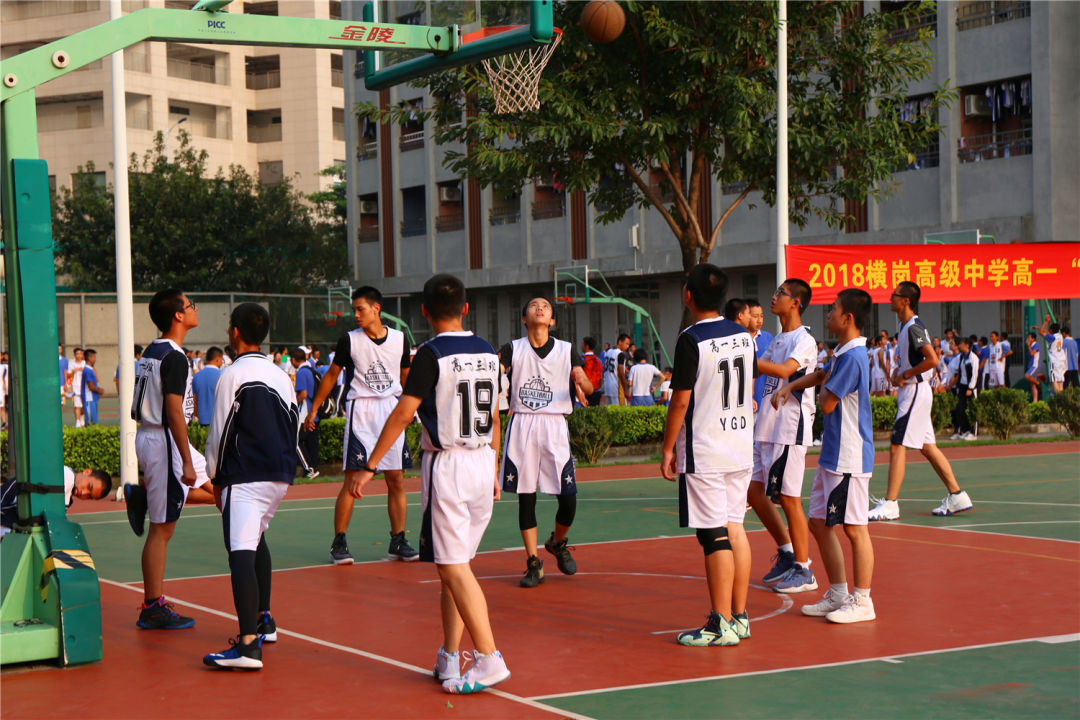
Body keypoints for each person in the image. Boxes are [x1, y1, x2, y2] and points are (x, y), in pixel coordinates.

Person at [350, 274, 509, 694]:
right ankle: (450, 656)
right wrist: (493, 468)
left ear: (423, 311)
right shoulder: (490, 352)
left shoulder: (430, 354)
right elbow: (494, 416)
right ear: (466, 308)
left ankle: (490, 656)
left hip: (449, 465)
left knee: (452, 566)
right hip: (480, 461)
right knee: (455, 567)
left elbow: (403, 415)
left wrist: (369, 465)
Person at [661, 263, 755, 646]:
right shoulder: (745, 336)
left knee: (713, 533)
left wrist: (668, 447)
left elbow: (680, 401)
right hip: (739, 445)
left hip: (706, 448)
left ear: (688, 295)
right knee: (735, 527)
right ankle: (739, 616)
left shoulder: (690, 340)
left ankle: (720, 623)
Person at [202, 303, 298, 671]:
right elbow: (292, 422)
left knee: (240, 551)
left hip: (244, 474)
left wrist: (213, 476)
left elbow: (220, 432)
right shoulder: (281, 376)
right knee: (256, 539)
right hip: (278, 475)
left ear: (236, 332)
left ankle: (247, 646)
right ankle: (264, 621)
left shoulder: (232, 374)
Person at [773, 289, 877, 624]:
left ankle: (862, 600)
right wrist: (791, 386)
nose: (828, 314)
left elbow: (828, 402)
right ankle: (838, 592)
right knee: (819, 522)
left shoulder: (853, 357)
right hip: (833, 453)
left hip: (850, 454)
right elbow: (821, 376)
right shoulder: (842, 352)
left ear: (848, 318)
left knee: (854, 528)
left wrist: (813, 388)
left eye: (833, 309)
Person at [303, 286, 417, 565]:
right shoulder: (349, 340)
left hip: (391, 408)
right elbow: (332, 375)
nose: (355, 314)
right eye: (354, 310)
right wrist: (315, 408)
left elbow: (406, 375)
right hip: (361, 410)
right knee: (352, 478)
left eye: (360, 309)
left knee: (396, 478)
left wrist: (415, 406)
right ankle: (339, 541)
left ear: (376, 309)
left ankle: (398, 539)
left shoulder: (400, 339)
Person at [126, 288, 216, 630]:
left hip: (158, 437)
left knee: (220, 491)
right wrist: (186, 458)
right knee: (163, 530)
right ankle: (152, 606)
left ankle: (146, 496)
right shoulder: (175, 357)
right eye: (191, 304)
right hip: (164, 439)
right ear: (178, 315)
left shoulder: (154, 349)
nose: (195, 307)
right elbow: (175, 411)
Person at [499, 297, 593, 588]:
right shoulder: (512, 349)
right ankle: (533, 563)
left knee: (568, 499)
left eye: (545, 307)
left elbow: (589, 388)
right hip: (523, 424)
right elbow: (492, 374)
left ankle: (558, 541)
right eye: (533, 306)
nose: (539, 308)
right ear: (524, 318)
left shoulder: (566, 350)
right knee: (526, 498)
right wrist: (497, 373)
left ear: (552, 320)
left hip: (554, 426)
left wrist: (581, 377)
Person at [868, 282, 974, 522]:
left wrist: (905, 375)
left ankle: (891, 503)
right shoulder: (906, 326)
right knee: (927, 447)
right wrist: (901, 374)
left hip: (915, 392)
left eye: (894, 295)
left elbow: (933, 359)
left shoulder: (913, 327)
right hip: (916, 391)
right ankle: (957, 495)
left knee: (897, 444)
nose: (890, 297)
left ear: (905, 301)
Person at [748, 278, 819, 594]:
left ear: (796, 302)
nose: (774, 296)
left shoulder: (804, 340)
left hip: (789, 428)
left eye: (781, 293)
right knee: (753, 492)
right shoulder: (777, 339)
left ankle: (804, 570)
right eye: (775, 290)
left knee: (789, 498)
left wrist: (747, 361)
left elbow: (784, 371)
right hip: (765, 426)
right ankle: (788, 551)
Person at [1, 466, 112, 538]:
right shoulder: (64, 475)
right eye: (89, 486)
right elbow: (15, 486)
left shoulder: (67, 497)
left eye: (89, 496)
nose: (83, 493)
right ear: (87, 471)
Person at [291, 347, 322, 480]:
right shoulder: (311, 369)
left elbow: (303, 394)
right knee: (311, 442)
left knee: (295, 441)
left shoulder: (301, 372)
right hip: (314, 412)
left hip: (305, 414)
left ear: (293, 360)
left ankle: (309, 469)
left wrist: (292, 403)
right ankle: (313, 468)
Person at [950, 335, 979, 441]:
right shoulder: (962, 357)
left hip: (970, 387)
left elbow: (975, 374)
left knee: (972, 410)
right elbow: (961, 372)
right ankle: (965, 430)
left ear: (967, 345)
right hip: (962, 386)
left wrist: (970, 388)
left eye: (961, 343)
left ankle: (974, 433)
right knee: (959, 409)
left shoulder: (973, 358)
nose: (959, 345)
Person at [746, 299, 772, 411]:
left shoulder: (768, 338)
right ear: (746, 316)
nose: (759, 320)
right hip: (744, 402)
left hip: (765, 402)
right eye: (755, 316)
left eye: (761, 316)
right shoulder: (738, 340)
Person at [191, 346, 224, 427]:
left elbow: (194, 402)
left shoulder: (196, 376)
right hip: (219, 422)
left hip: (202, 422)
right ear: (218, 359)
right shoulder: (223, 375)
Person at [1036, 315, 1066, 395]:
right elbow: (1045, 332)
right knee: (1060, 382)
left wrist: (1046, 321)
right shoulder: (1060, 336)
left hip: (1054, 361)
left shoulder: (1052, 338)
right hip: (1061, 361)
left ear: (1051, 330)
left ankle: (1058, 399)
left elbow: (1041, 333)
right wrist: (1038, 327)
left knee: (1054, 381)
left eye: (1049, 329)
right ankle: (1062, 400)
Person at [602, 333, 630, 406]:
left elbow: (604, 367)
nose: (627, 346)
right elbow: (621, 372)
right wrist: (625, 389)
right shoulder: (620, 354)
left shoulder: (608, 351)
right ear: (620, 342)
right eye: (626, 344)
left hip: (607, 386)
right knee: (621, 411)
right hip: (616, 387)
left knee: (610, 412)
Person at [81, 349, 104, 425]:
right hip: (89, 399)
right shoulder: (87, 370)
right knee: (90, 423)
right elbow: (90, 386)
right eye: (94, 357)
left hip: (92, 399)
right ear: (89, 358)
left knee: (93, 421)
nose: (95, 359)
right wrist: (99, 390)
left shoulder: (90, 369)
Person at [580, 336, 604, 407]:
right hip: (596, 391)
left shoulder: (582, 359)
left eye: (582, 344)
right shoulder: (598, 360)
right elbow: (601, 376)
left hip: (585, 391)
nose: (581, 346)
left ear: (586, 346)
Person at [69, 347, 86, 427]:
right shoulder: (71, 363)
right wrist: (74, 371)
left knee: (83, 405)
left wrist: (83, 370)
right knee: (76, 405)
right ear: (74, 355)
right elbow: (68, 375)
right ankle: (77, 421)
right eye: (77, 354)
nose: (78, 355)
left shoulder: (85, 363)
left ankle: (82, 418)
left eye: (80, 353)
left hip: (84, 387)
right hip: (75, 386)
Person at [1024, 331, 1042, 402]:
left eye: (1029, 338)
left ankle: (1038, 384)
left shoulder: (1036, 345)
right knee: (1032, 385)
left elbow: (1032, 354)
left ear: (1033, 339)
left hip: (1035, 365)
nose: (1028, 339)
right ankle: (1035, 401)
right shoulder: (1031, 346)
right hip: (1030, 365)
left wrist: (1028, 346)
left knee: (1026, 376)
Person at [59, 344, 70, 408]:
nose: (59, 350)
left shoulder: (65, 360)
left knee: (61, 403)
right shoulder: (51, 360)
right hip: (54, 385)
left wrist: (66, 384)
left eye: (60, 349)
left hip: (62, 384)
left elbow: (65, 372)